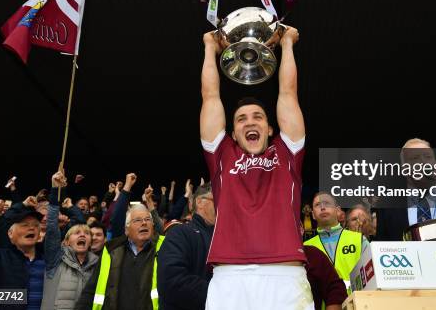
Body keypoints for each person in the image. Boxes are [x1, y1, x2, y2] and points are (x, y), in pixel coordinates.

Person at [200, 28, 313, 310]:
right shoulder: (222, 154)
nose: (250, 123)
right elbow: (211, 97)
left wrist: (287, 43)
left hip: (285, 274)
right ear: (233, 133)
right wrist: (208, 47)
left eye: (258, 117)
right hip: (229, 276)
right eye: (241, 120)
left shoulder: (287, 152)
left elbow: (288, 93)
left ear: (270, 128)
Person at [76, 173, 165, 310]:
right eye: (137, 220)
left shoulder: (163, 248)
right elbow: (90, 291)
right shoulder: (111, 250)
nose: (144, 224)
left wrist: (150, 203)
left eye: (147, 220)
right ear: (126, 229)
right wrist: (126, 187)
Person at [41, 171, 100, 309]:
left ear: (90, 242)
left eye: (86, 233)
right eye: (76, 233)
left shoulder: (97, 265)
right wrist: (55, 190)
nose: (82, 235)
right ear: (66, 241)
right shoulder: (55, 258)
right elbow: (51, 227)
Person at [157, 183, 216, 310]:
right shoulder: (179, 233)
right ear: (200, 202)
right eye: (216, 200)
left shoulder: (222, 237)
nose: (221, 205)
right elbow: (172, 281)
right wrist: (221, 292)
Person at [305, 192, 366, 293]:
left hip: (357, 304)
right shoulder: (306, 247)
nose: (323, 207)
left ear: (337, 210)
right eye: (317, 205)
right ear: (313, 215)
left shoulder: (359, 240)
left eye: (327, 203)